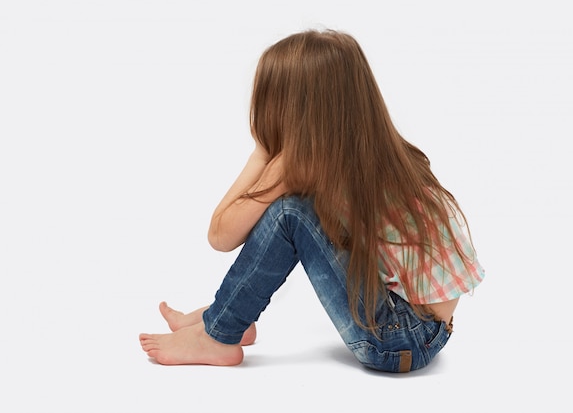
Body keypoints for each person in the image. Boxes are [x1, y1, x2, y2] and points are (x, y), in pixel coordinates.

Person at [139, 29, 485, 373]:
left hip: (401, 340)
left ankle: (219, 333)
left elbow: (220, 236)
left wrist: (263, 154)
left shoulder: (304, 167)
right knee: (290, 211)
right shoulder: (367, 153)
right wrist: (265, 153)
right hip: (422, 332)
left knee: (289, 213)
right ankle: (229, 316)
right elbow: (221, 234)